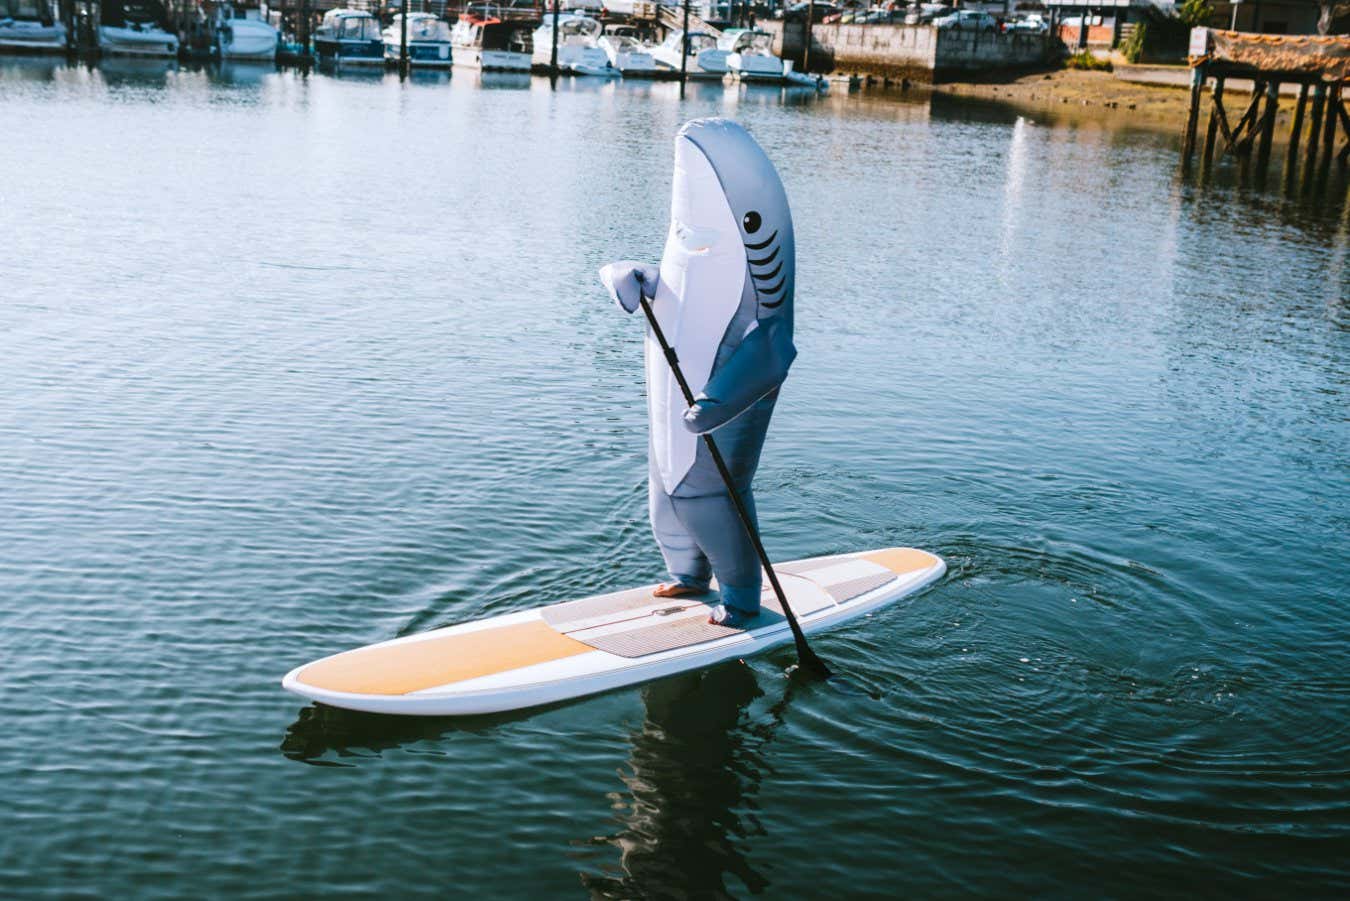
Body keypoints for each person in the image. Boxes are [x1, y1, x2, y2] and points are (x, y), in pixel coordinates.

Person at [599, 118, 797, 628]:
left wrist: (717, 402)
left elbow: (774, 347)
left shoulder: (757, 274)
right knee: (665, 496)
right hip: (670, 421)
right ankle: (688, 573)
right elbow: (678, 293)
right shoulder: (686, 250)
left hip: (712, 423)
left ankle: (742, 595)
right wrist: (630, 278)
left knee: (711, 496)